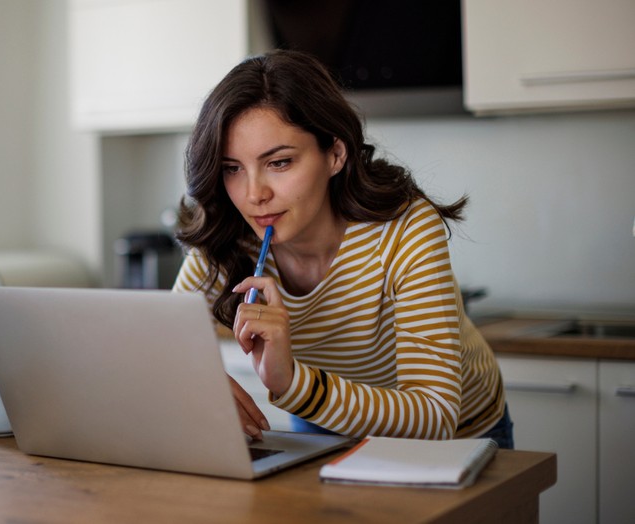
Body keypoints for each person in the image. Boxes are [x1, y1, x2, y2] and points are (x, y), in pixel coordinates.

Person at [172, 49, 513, 449]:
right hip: (325, 423)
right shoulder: (230, 234)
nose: (254, 195)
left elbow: (435, 414)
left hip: (458, 437)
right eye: (232, 168)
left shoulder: (404, 228)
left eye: (279, 163)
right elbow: (162, 348)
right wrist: (198, 382)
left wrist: (293, 384)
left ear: (335, 154)